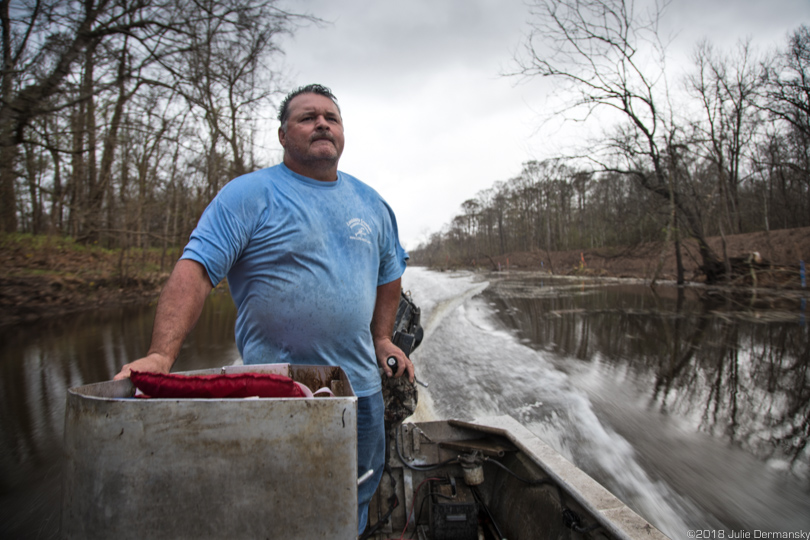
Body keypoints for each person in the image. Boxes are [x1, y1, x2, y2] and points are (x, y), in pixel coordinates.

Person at [114, 83, 413, 534]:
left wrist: (383, 337)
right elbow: (195, 271)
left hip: (361, 392)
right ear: (282, 134)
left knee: (356, 494)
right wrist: (161, 356)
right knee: (278, 501)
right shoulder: (248, 195)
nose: (322, 124)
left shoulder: (371, 203)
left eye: (331, 117)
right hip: (275, 391)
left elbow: (390, 272)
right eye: (307, 117)